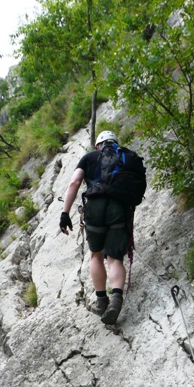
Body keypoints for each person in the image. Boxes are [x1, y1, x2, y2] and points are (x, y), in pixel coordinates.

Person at [59, 130, 145, 325]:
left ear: (98, 145)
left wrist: (65, 213)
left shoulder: (90, 157)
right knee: (114, 258)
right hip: (119, 208)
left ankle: (101, 302)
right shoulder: (126, 157)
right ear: (115, 143)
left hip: (95, 208)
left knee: (96, 255)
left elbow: (74, 182)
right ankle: (116, 299)